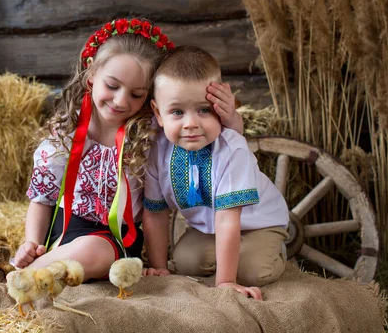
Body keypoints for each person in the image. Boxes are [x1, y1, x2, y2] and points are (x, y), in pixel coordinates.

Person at [13, 19, 241, 281]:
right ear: (91, 76)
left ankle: (21, 279)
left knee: (91, 250)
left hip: (116, 239)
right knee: (71, 250)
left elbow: (219, 140)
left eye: (137, 94)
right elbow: (43, 198)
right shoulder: (69, 130)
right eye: (112, 86)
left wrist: (230, 116)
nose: (121, 101)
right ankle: (27, 270)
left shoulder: (153, 132)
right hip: (61, 230)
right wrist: (31, 243)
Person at [142, 46, 289, 300]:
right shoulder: (158, 150)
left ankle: (275, 248)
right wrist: (159, 267)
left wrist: (225, 282)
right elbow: (155, 212)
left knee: (253, 271)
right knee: (187, 262)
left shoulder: (231, 150)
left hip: (258, 224)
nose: (191, 123)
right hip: (207, 228)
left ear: (220, 107)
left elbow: (227, 220)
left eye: (204, 109)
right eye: (177, 112)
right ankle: (231, 256)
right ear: (158, 113)